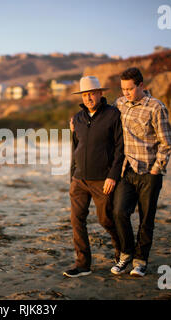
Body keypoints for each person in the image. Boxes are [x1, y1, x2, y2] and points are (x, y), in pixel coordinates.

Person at [111, 67, 171, 277]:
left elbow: (166, 142)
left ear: (141, 86)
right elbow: (103, 120)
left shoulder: (156, 107)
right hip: (126, 171)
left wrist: (157, 168)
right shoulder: (119, 104)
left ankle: (141, 261)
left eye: (130, 89)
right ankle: (126, 254)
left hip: (149, 172)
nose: (126, 93)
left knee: (146, 219)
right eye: (123, 89)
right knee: (119, 213)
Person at [63, 76, 124, 278]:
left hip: (102, 179)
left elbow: (119, 148)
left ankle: (122, 250)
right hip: (79, 180)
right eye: (85, 94)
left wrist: (113, 176)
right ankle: (83, 264)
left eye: (92, 93)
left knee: (106, 219)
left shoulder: (113, 115)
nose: (88, 97)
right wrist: (73, 175)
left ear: (100, 93)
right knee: (76, 220)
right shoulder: (77, 119)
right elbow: (75, 147)